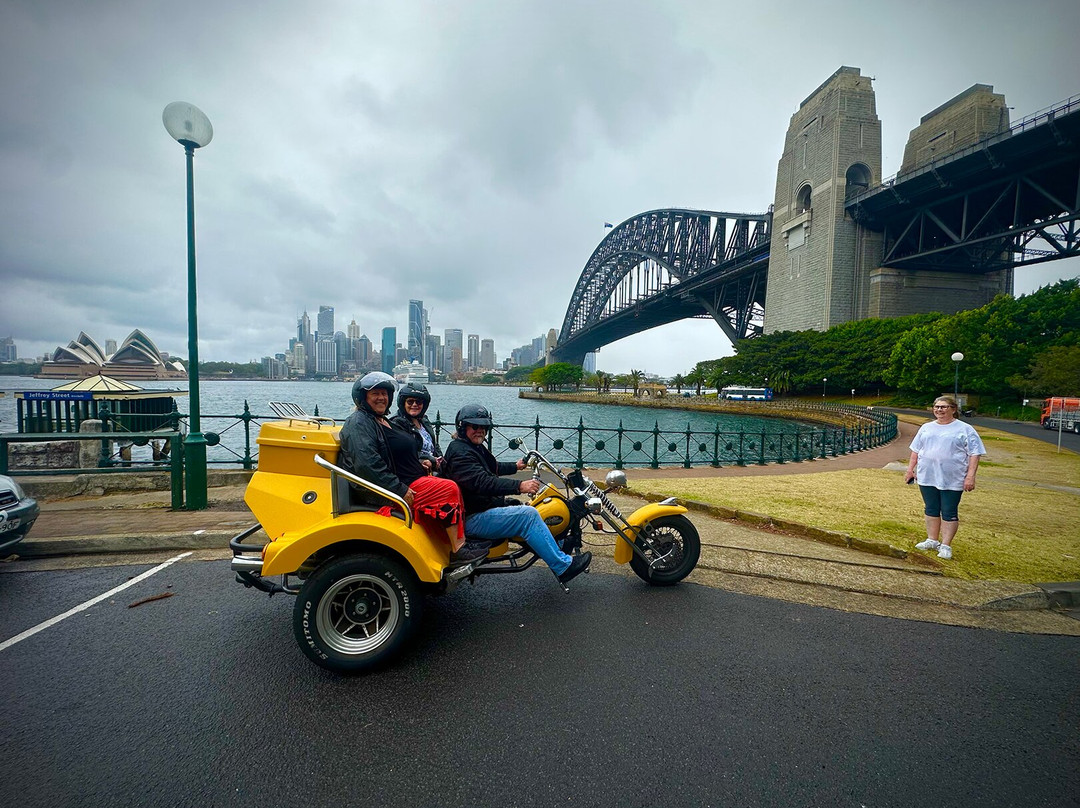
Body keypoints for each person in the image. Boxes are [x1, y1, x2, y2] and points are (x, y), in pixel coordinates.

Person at [338, 372, 487, 564]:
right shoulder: (359, 422)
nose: (381, 398)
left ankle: (456, 542)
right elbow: (368, 464)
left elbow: (398, 452)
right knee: (448, 489)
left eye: (384, 393)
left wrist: (421, 461)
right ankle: (458, 550)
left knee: (452, 484)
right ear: (362, 397)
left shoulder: (379, 420)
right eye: (375, 393)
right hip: (385, 490)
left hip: (405, 479)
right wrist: (399, 489)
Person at [442, 404, 592, 586]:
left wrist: (516, 466)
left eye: (484, 427)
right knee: (527, 516)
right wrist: (520, 485)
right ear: (463, 427)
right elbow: (482, 482)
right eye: (475, 427)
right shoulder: (460, 453)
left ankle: (557, 547)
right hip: (470, 519)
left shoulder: (470, 448)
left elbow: (492, 468)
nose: (480, 431)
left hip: (479, 507)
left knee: (524, 507)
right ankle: (563, 567)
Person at [904, 396, 986, 560]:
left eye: (943, 407)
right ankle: (932, 539)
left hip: (952, 477)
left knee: (949, 510)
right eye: (936, 407)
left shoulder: (965, 429)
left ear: (953, 409)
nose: (939, 410)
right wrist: (910, 469)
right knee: (931, 508)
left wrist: (970, 476)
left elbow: (974, 453)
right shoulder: (926, 427)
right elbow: (916, 450)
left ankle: (946, 545)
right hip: (928, 474)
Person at [389, 383, 443, 473]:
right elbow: (404, 452)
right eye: (410, 402)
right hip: (415, 471)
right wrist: (428, 459)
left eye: (418, 402)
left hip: (433, 468)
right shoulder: (397, 423)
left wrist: (440, 460)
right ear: (403, 403)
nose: (414, 405)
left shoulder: (424, 421)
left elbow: (435, 447)